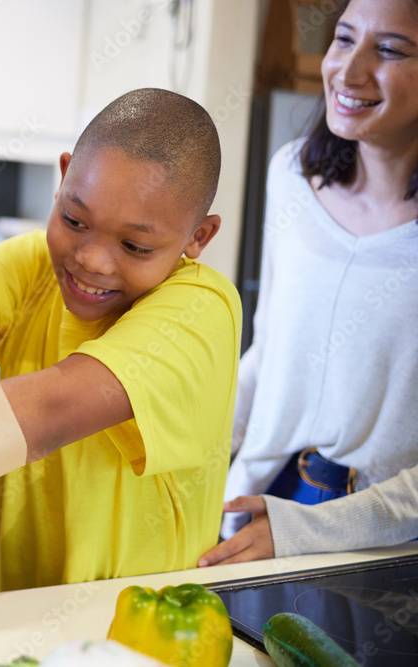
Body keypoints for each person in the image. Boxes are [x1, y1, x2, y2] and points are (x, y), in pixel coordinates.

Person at [0, 88, 242, 592]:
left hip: (135, 629)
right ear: (63, 179)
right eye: (74, 220)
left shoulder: (202, 309)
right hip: (6, 612)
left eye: (134, 245)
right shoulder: (37, 263)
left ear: (199, 237)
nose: (90, 259)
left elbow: (46, 413)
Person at [199, 0, 418, 568]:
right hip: (256, 505)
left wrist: (311, 529)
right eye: (343, 39)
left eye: (390, 50)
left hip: (379, 543)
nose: (348, 72)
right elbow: (270, 352)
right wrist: (194, 450)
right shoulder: (292, 173)